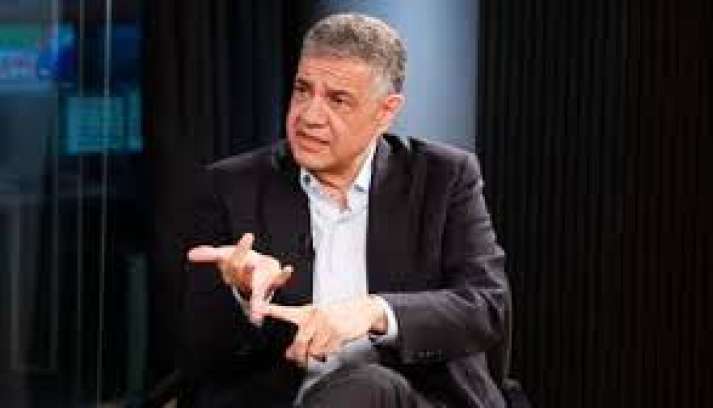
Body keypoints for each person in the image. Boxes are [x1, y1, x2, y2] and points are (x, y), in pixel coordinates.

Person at [182, 13, 510, 408]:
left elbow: (486, 307)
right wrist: (242, 293)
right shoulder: (232, 186)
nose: (309, 116)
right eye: (303, 90)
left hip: (411, 398)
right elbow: (199, 351)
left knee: (368, 385)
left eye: (337, 100)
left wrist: (374, 312)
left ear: (385, 112)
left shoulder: (444, 178)